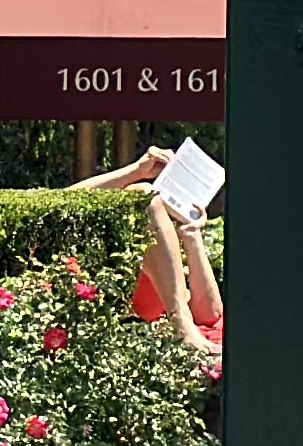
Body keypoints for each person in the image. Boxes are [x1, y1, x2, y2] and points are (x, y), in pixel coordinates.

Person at [74, 141, 227, 359]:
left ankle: (181, 320)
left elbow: (211, 315)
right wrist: (135, 172)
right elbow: (62, 203)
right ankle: (180, 321)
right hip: (129, 301)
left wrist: (192, 236)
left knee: (144, 195)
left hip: (171, 317)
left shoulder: (166, 237)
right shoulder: (118, 226)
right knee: (142, 194)